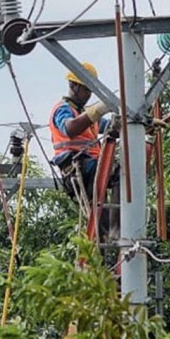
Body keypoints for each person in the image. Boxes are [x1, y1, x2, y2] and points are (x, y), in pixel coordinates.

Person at [48, 62, 118, 236]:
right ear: (73, 85)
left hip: (93, 167)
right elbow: (70, 129)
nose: (89, 94)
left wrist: (137, 123)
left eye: (90, 90)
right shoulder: (62, 109)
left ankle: (114, 229)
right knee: (118, 172)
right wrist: (97, 111)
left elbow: (108, 125)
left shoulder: (86, 113)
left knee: (119, 177)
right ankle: (116, 230)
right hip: (78, 168)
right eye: (86, 89)